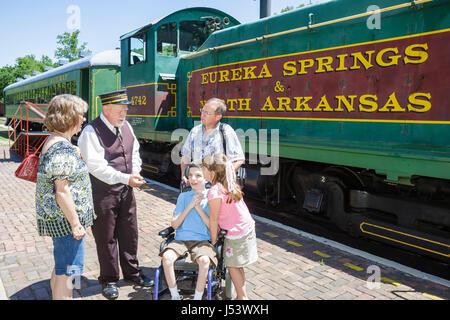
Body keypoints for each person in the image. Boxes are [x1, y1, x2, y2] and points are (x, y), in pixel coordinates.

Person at [78, 89, 152, 300]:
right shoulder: (91, 132)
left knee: (130, 232)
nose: (124, 115)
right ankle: (109, 279)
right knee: (106, 237)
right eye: (120, 110)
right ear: (106, 108)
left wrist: (135, 172)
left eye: (126, 110)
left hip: (126, 191)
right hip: (103, 193)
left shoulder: (126, 126)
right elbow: (96, 167)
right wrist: (125, 178)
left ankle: (132, 272)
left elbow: (134, 151)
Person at [36, 94, 96, 300]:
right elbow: (62, 191)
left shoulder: (57, 143)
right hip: (67, 222)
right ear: (69, 116)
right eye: (81, 115)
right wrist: (76, 223)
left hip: (60, 220)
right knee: (69, 272)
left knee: (62, 267)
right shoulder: (62, 149)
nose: (83, 119)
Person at [202, 153, 258, 300]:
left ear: (212, 173)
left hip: (236, 233)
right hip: (246, 228)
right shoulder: (229, 184)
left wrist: (213, 242)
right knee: (237, 265)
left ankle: (242, 297)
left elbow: (213, 221)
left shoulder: (214, 192)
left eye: (203, 168)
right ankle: (241, 295)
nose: (202, 171)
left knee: (232, 265)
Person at [160, 164, 217, 300]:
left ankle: (197, 297)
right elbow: (174, 225)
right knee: (167, 258)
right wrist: (190, 205)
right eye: (190, 175)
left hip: (202, 241)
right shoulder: (183, 197)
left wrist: (197, 207)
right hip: (181, 240)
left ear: (207, 179)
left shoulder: (212, 197)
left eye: (198, 175)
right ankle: (175, 296)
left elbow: (212, 226)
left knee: (204, 261)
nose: (193, 179)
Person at [180, 98, 245, 186]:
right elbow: (186, 156)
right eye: (202, 111)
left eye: (207, 113)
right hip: (196, 187)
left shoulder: (226, 131)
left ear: (218, 116)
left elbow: (238, 160)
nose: (202, 115)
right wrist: (184, 175)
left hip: (216, 188)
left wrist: (222, 179)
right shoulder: (195, 131)